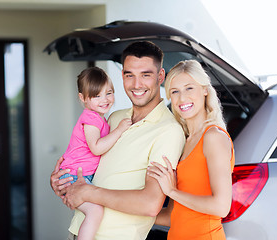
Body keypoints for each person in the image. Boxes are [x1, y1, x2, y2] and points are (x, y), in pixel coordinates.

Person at [50, 41, 186, 240]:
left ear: (160, 77)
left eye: (145, 75)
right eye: (129, 75)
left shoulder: (168, 130)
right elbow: (89, 166)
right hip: (79, 231)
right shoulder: (114, 118)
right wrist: (63, 183)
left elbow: (150, 204)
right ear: (122, 75)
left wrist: (87, 192)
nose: (136, 84)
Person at [147, 59, 235, 239]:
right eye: (175, 91)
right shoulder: (183, 142)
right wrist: (123, 210)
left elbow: (221, 207)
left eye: (189, 88)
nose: (182, 98)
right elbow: (174, 215)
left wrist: (172, 191)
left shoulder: (213, 137)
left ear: (204, 90)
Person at [59, 66, 132, 240]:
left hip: (80, 176)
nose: (105, 99)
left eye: (109, 93)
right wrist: (120, 129)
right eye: (96, 95)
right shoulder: (91, 119)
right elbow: (97, 148)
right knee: (95, 211)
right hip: (73, 177)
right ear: (83, 98)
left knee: (94, 210)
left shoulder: (99, 118)